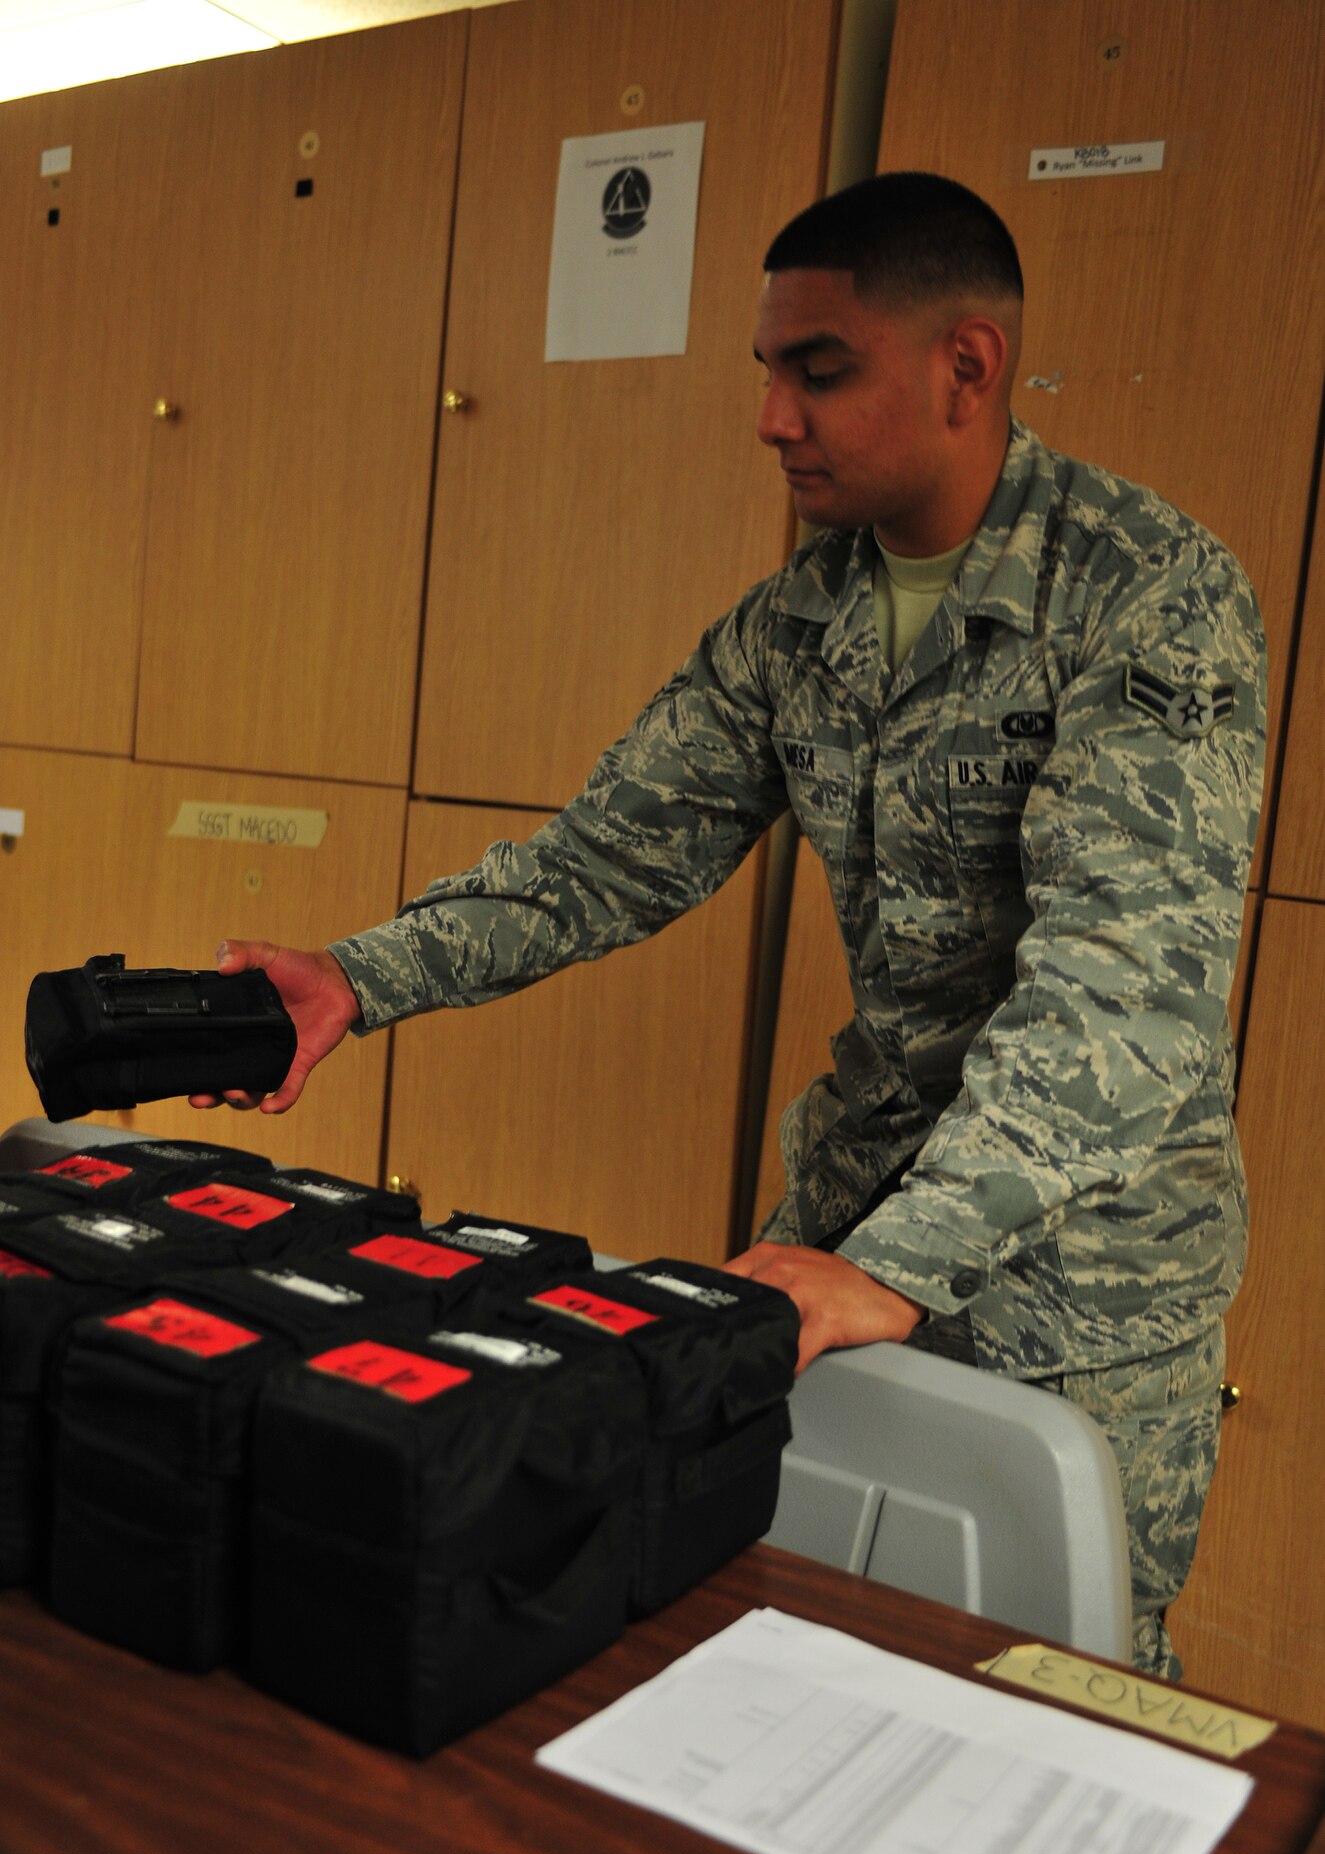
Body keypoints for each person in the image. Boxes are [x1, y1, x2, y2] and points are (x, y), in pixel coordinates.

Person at [193, 173, 1266, 1678]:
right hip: (839, 1229)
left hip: (1071, 1292)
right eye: (766, 371)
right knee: (764, 1628)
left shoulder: (1145, 595)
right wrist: (352, 983)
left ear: (966, 366)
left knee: (1042, 1693)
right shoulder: (797, 621)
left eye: (816, 371)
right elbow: (605, 861)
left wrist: (898, 1260)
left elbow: (1124, 987)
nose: (771, 417)